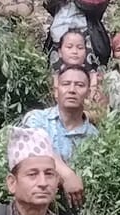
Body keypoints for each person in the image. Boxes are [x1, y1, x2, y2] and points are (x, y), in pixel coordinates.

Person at [20, 64, 97, 204]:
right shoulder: (37, 118)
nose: (72, 90)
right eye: (66, 84)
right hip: (35, 201)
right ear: (56, 91)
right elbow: (37, 146)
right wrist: (67, 175)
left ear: (88, 93)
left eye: (79, 85)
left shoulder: (94, 136)